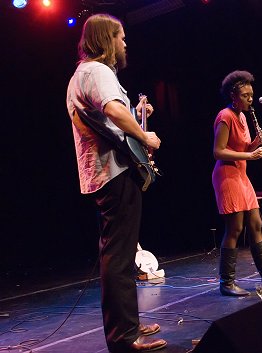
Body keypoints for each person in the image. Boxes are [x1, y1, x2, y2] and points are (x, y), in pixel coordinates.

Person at [66, 14, 166, 352]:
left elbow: (113, 117)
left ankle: (129, 324)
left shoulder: (85, 75)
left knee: (120, 253)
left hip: (108, 172)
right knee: (120, 257)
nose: (125, 44)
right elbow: (112, 110)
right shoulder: (97, 71)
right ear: (107, 39)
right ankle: (124, 337)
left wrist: (136, 118)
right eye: (120, 37)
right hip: (115, 173)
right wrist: (145, 136)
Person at [212, 70, 262, 296]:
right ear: (233, 96)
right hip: (226, 176)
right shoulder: (225, 116)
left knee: (255, 223)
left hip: (241, 176)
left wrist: (256, 144)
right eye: (245, 95)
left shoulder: (243, 116)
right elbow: (218, 152)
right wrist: (251, 156)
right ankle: (226, 282)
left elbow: (242, 148)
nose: (250, 99)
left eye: (251, 95)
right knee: (235, 228)